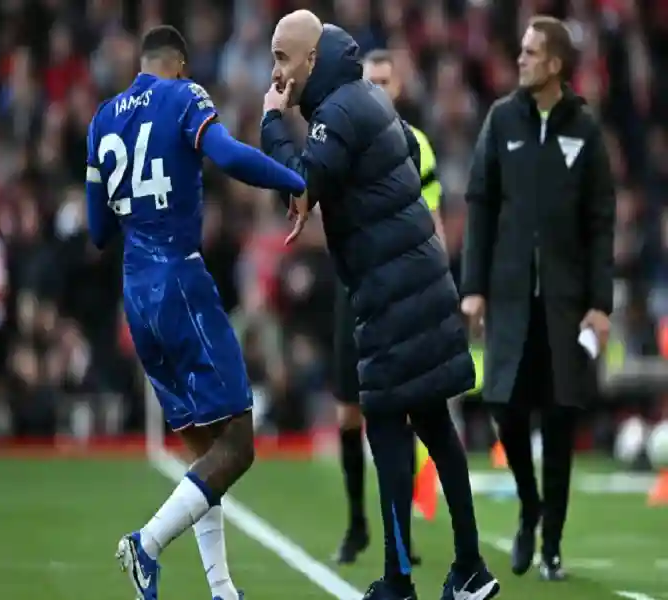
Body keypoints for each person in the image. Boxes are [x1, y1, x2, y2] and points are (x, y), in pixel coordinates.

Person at [260, 11, 499, 600]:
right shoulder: (355, 97)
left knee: (389, 431)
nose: (277, 72)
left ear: (312, 59)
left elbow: (298, 181)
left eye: (283, 58)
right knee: (434, 425)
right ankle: (470, 569)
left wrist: (271, 118)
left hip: (393, 297)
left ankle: (398, 580)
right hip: (414, 286)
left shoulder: (338, 110)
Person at [85, 25, 306, 600]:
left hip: (136, 293)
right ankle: (147, 543)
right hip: (180, 278)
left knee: (204, 452)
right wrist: (296, 180)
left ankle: (221, 588)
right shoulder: (184, 96)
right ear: (178, 64)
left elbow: (97, 230)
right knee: (238, 444)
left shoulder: (103, 118)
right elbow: (227, 154)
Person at [461, 15, 615, 581]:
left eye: (530, 52)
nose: (520, 59)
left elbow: (602, 222)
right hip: (507, 298)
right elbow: (479, 204)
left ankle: (551, 544)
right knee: (504, 406)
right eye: (520, 50)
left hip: (565, 304)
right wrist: (473, 288)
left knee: (559, 419)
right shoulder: (501, 120)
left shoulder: (586, 130)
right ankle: (529, 506)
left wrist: (601, 302)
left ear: (554, 64)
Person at [331, 48, 446, 567]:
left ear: (398, 87)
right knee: (348, 412)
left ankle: (398, 533)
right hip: (352, 286)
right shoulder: (343, 136)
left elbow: (433, 218)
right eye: (369, 80)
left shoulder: (416, 145)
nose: (378, 88)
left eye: (384, 80)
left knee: (398, 412)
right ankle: (356, 522)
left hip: (400, 288)